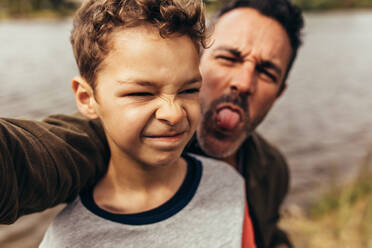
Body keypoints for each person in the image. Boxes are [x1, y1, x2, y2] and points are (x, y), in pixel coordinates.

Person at [0, 0, 304, 247]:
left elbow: (265, 230)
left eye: (267, 72)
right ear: (200, 61)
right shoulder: (102, 139)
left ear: (279, 93)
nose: (243, 82)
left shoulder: (271, 167)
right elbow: (25, 158)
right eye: (228, 58)